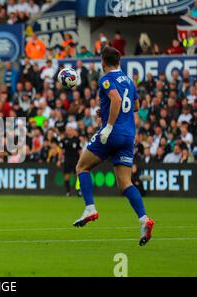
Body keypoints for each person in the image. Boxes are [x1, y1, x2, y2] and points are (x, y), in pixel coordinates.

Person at [73, 47, 155, 246]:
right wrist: (107, 110)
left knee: (82, 167)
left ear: (103, 61)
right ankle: (144, 220)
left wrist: (108, 126)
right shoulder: (129, 80)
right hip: (129, 136)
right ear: (119, 61)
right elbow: (135, 106)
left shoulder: (105, 79)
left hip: (113, 133)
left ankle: (90, 207)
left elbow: (117, 99)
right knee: (125, 184)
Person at [60, 126, 82, 197]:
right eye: (67, 130)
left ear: (72, 131)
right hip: (67, 159)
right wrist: (59, 160)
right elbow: (61, 151)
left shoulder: (77, 140)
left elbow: (80, 151)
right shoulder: (64, 140)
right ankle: (68, 191)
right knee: (67, 176)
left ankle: (78, 190)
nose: (69, 131)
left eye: (70, 130)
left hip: (75, 159)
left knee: (77, 176)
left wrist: (81, 160)